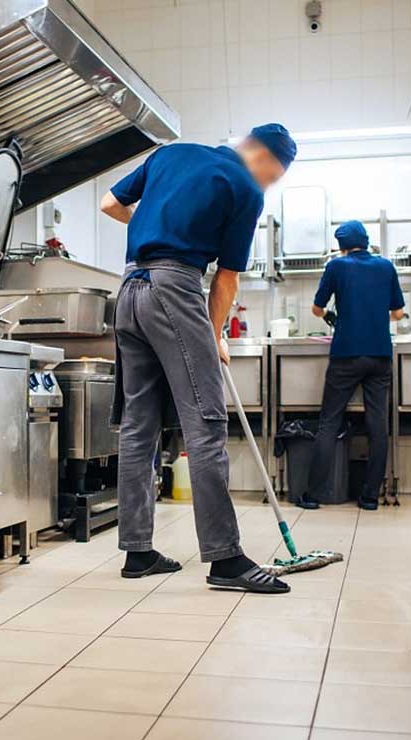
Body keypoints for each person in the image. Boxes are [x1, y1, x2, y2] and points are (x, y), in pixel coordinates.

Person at [101, 124, 296, 594]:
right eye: (277, 175)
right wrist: (213, 336)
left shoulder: (171, 154)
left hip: (128, 290)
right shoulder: (246, 188)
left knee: (138, 427)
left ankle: (138, 551)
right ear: (268, 160)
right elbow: (225, 280)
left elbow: (109, 203)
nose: (270, 183)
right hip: (175, 288)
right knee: (205, 421)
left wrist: (155, 225)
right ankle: (225, 559)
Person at [307, 220, 405, 511]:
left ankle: (313, 495)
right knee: (377, 425)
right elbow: (398, 313)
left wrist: (333, 315)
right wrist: (373, 317)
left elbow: (317, 308)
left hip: (346, 354)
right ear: (365, 240)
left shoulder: (336, 267)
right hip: (379, 355)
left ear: (341, 245)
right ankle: (370, 497)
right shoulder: (386, 266)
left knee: (329, 422)